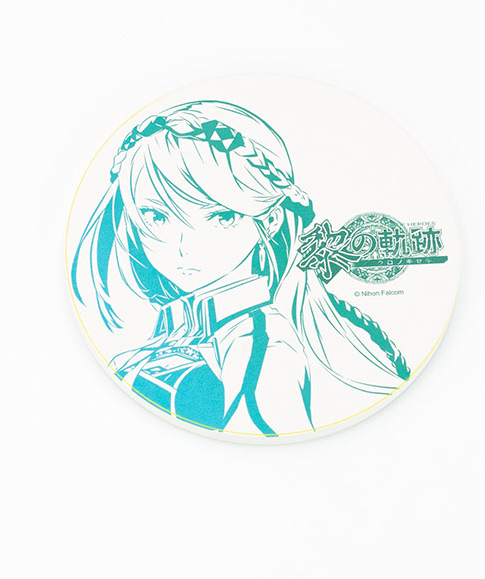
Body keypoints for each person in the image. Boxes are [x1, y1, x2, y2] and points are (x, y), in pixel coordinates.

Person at [71, 101, 409, 436]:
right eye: (156, 216)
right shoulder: (176, 333)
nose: (182, 246)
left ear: (271, 220)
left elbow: (270, 454)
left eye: (222, 216)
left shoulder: (260, 345)